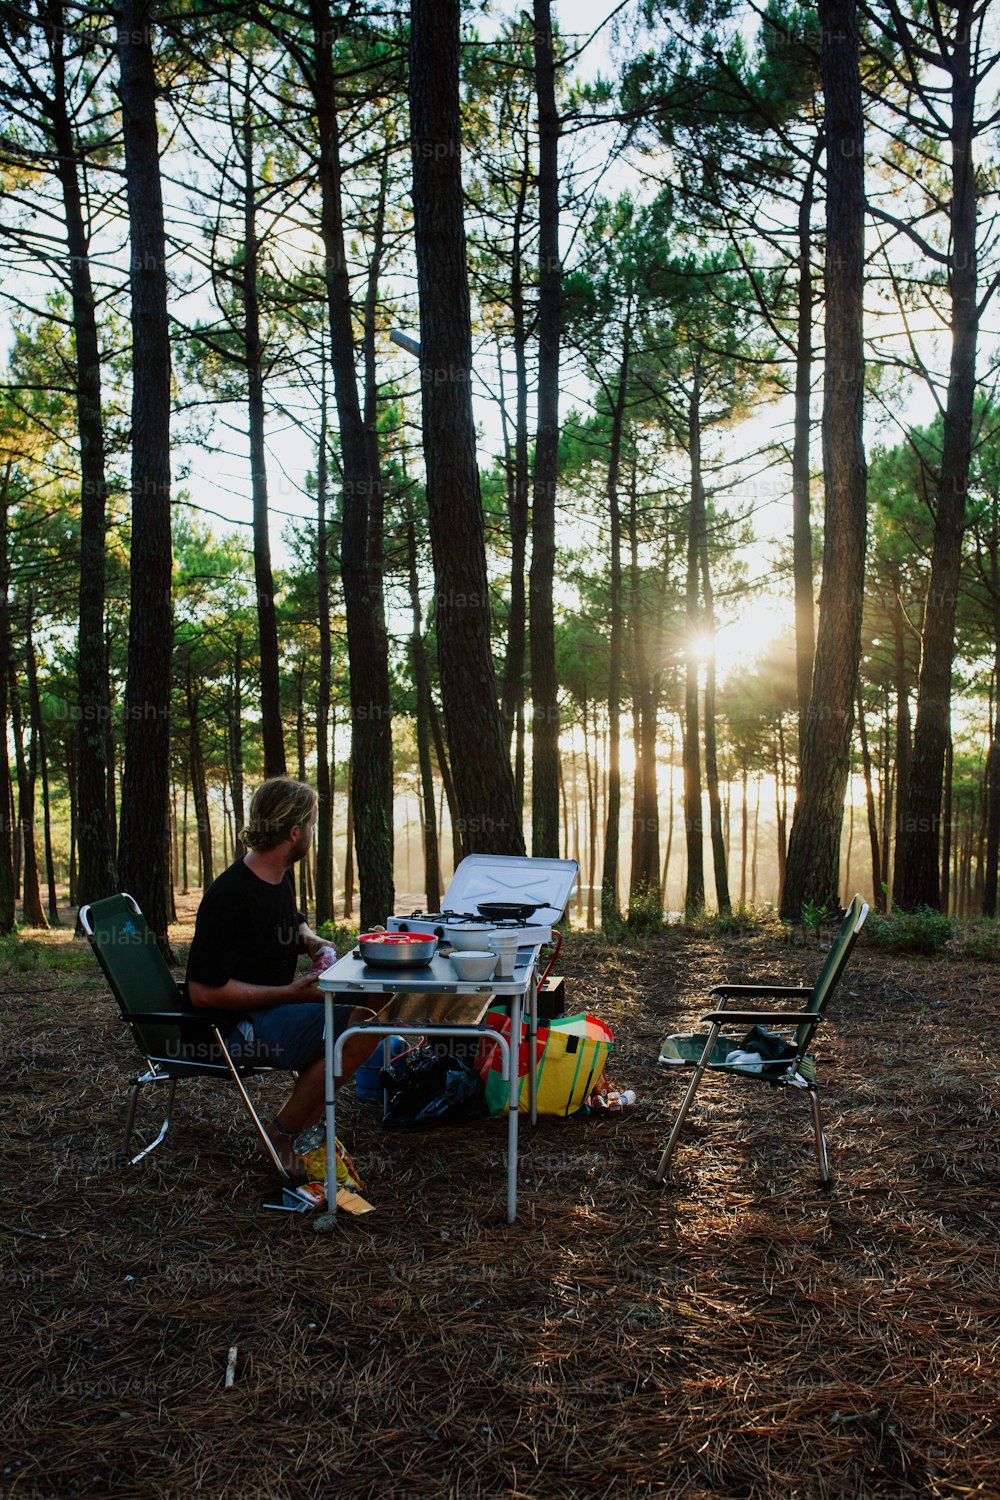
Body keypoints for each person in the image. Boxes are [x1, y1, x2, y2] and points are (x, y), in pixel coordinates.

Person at [185, 776, 378, 1181]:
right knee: (363, 1026)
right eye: (311, 826)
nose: (313, 834)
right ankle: (280, 1136)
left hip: (272, 1008)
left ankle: (300, 1126)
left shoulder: (276, 874)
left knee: (377, 1002)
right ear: (294, 832)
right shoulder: (229, 896)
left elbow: (289, 922)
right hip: (231, 1031)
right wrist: (289, 993)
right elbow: (202, 993)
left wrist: (309, 941)